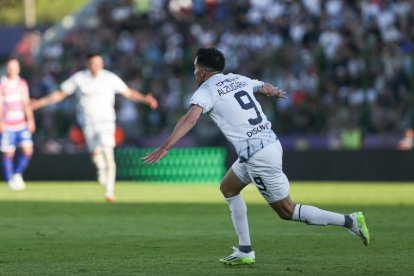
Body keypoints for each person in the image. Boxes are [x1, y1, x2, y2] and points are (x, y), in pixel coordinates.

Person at [141, 47, 370, 265]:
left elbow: (191, 118)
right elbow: (263, 86)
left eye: (194, 69)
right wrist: (273, 91)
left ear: (202, 72)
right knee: (228, 188)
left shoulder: (206, 91)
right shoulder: (238, 79)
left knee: (287, 211)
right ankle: (245, 250)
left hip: (258, 155)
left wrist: (165, 147)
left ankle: (350, 221)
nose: (194, 73)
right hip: (264, 145)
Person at [31, 53, 158, 202]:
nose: (97, 66)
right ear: (88, 64)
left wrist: (145, 99)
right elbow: (60, 94)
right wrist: (39, 103)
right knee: (95, 155)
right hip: (88, 122)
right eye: (94, 63)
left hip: (106, 121)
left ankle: (109, 192)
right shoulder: (79, 78)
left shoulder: (110, 78)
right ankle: (101, 169)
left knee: (108, 152)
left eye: (99, 63)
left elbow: (128, 92)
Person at [0, 58, 36, 190]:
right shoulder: (2, 84)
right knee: (8, 153)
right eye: (10, 67)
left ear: (18, 68)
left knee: (28, 150)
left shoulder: (22, 83)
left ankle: (17, 174)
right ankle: (9, 179)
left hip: (21, 123)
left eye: (15, 67)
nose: (12, 69)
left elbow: (26, 103)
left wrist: (30, 120)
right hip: (8, 124)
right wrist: (1, 121)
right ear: (7, 69)